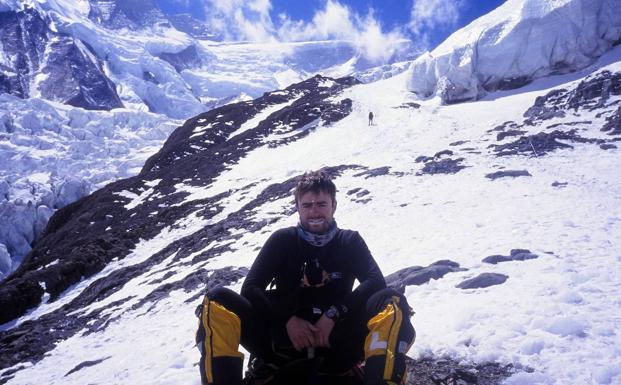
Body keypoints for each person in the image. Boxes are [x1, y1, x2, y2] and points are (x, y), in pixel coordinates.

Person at [196, 170, 415, 385]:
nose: (314, 212)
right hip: (280, 346)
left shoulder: (349, 241)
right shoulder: (283, 240)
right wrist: (287, 321)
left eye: (321, 204)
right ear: (298, 208)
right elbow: (251, 288)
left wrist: (333, 314)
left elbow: (375, 282)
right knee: (218, 301)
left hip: (337, 345)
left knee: (390, 302)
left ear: (334, 206)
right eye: (307, 205)